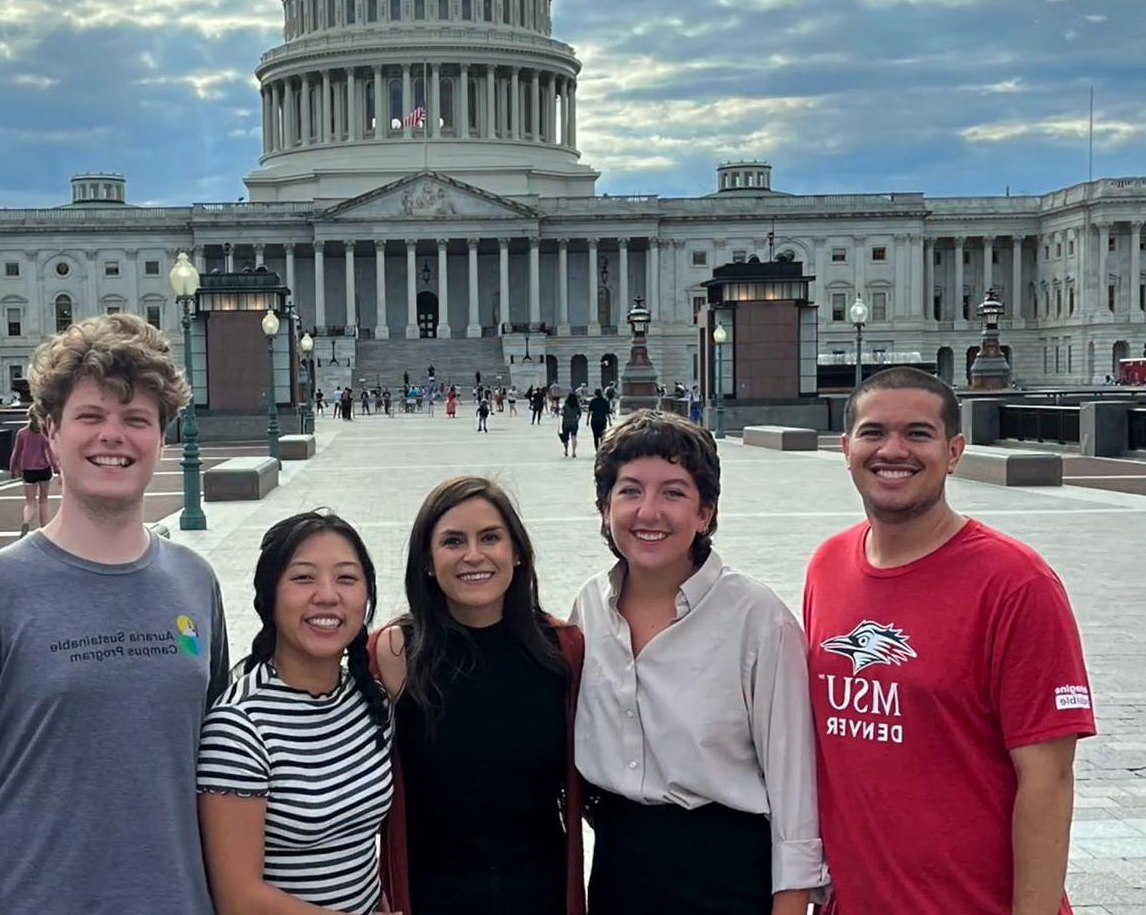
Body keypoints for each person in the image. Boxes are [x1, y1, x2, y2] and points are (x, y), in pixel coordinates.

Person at [0, 313, 230, 915]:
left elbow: (212, 769)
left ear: (161, 437)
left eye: (136, 419)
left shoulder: (195, 583)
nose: (114, 435)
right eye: (91, 416)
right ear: (52, 433)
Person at [805, 367, 1096, 915]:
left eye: (917, 433)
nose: (893, 450)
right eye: (873, 433)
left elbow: (1049, 779)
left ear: (955, 450)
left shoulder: (1016, 583)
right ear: (845, 449)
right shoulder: (827, 565)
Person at [572, 409, 826, 915]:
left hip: (725, 873)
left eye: (673, 492)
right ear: (605, 508)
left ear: (704, 513)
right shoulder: (589, 610)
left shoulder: (757, 619)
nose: (649, 512)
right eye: (629, 491)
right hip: (620, 866)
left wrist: (791, 904)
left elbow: (795, 789)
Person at [369, 477, 586, 915]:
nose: (473, 555)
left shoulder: (563, 650)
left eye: (490, 537)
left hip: (539, 893)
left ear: (518, 551)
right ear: (427, 561)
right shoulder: (393, 653)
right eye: (452, 541)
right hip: (431, 896)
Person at [198, 511, 392, 915]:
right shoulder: (238, 727)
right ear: (268, 598)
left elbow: (357, 856)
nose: (327, 595)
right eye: (303, 578)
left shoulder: (368, 700)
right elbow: (239, 900)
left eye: (346, 578)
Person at [8, 404, 60, 537]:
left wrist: (13, 468)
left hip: (27, 469)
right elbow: (50, 452)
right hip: (43, 468)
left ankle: (26, 521)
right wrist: (56, 468)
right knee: (43, 500)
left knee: (30, 502)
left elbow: (16, 452)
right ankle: (45, 528)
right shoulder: (44, 433)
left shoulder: (22, 433)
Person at [559, 391, 581, 457]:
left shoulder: (565, 405)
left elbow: (561, 413)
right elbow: (579, 414)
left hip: (566, 422)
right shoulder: (577, 405)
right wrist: (577, 419)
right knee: (574, 437)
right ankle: (574, 452)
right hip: (574, 422)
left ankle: (566, 451)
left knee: (566, 438)